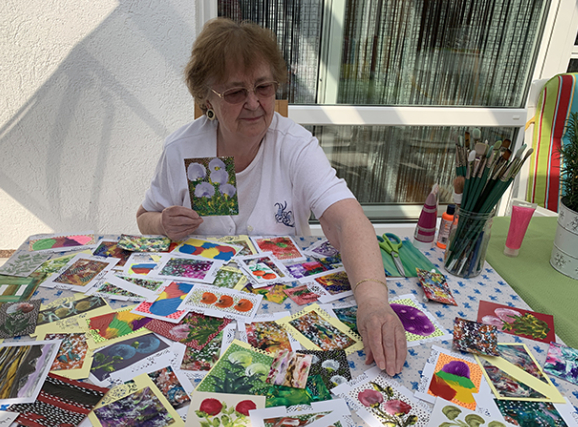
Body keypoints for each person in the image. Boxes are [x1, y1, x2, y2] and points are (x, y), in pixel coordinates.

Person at [136, 18, 407, 376]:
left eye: (264, 87)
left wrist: (373, 303)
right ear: (207, 98)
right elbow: (144, 219)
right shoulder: (182, 148)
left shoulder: (294, 145)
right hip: (204, 307)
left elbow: (348, 219)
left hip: (283, 307)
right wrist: (163, 222)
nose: (254, 103)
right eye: (235, 93)